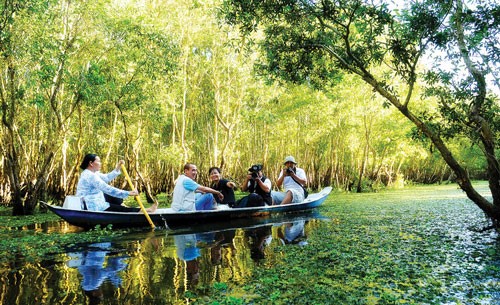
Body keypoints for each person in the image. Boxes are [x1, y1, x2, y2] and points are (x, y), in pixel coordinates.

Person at [76, 154, 158, 213]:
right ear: (91, 163)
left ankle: (126, 207)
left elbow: (107, 177)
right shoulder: (90, 175)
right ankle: (147, 210)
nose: (100, 164)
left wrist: (118, 166)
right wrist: (128, 193)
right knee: (117, 204)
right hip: (91, 204)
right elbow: (106, 188)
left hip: (94, 199)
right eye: (99, 161)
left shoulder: (93, 173)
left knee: (114, 197)